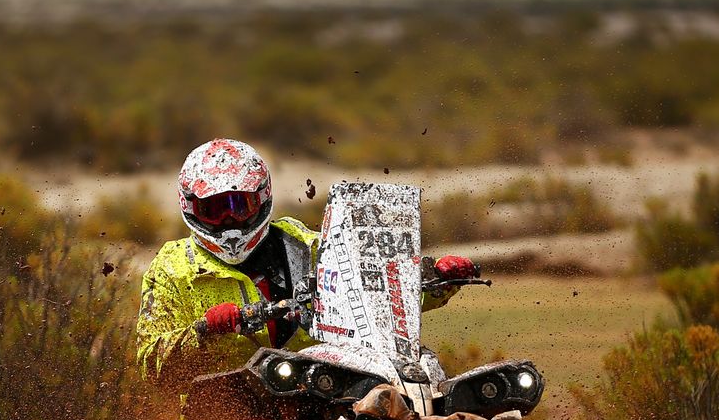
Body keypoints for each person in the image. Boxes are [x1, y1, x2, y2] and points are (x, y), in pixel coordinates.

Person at [135, 138, 478, 383]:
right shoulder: (172, 270)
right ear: (191, 209)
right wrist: (206, 331)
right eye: (214, 210)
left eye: (240, 207)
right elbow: (150, 367)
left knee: (407, 379)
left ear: (263, 198)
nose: (230, 222)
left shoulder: (306, 246)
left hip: (320, 391)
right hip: (224, 416)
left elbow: (375, 294)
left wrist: (436, 281)